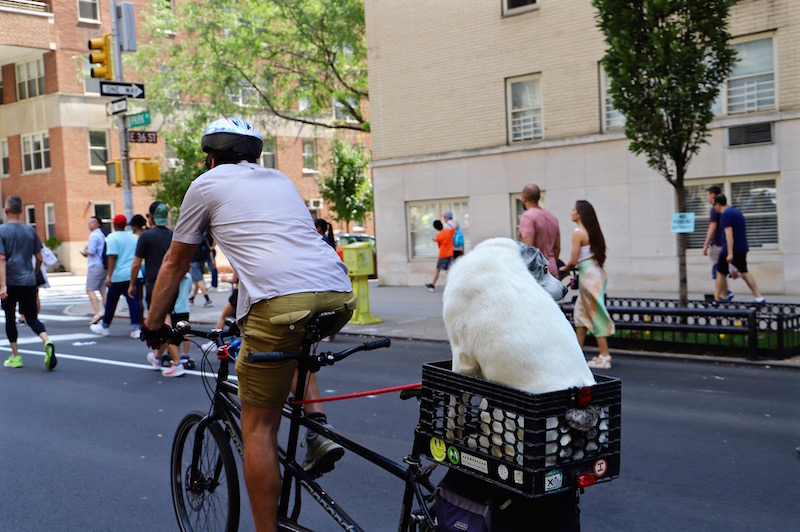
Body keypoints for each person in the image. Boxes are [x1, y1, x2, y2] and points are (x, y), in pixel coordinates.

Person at [141, 117, 356, 531]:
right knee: (291, 345)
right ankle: (317, 430)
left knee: (258, 428)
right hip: (338, 292)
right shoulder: (280, 179)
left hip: (281, 301)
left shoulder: (205, 185)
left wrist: (153, 326)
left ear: (210, 158)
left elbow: (174, 261)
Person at [0, 195, 56, 370]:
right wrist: (35, 272)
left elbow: (1, 259)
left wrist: (2, 285)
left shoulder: (2, 231)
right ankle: (46, 340)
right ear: (21, 210)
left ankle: (16, 356)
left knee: (10, 317)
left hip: (10, 282)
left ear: (6, 210)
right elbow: (40, 257)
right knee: (31, 317)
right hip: (29, 281)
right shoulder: (30, 231)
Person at [560, 200, 615, 369]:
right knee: (581, 314)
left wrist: (564, 268)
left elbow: (573, 260)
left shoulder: (578, 233)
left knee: (595, 313)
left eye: (573, 209)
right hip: (594, 273)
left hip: (588, 276)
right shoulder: (591, 231)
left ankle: (604, 356)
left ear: (580, 214)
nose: (571, 212)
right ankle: (576, 355)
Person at [131, 202, 184, 375]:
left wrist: (132, 284)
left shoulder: (146, 237)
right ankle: (158, 357)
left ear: (151, 217)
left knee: (162, 319)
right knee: (165, 317)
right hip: (174, 283)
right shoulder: (173, 235)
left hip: (155, 284)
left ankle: (177, 362)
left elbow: (136, 264)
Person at [90, 214, 142, 338]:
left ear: (114, 224)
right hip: (133, 274)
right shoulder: (133, 237)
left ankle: (105, 326)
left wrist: (109, 276)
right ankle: (136, 328)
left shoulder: (112, 237)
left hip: (119, 275)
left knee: (111, 302)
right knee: (134, 301)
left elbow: (112, 257)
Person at [713, 194, 765, 304]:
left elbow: (729, 234)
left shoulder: (725, 215)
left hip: (730, 249)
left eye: (714, 205)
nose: (714, 208)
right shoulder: (736, 211)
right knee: (744, 272)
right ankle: (759, 297)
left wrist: (730, 253)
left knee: (720, 272)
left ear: (718, 204)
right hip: (742, 247)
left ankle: (717, 299)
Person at [518, 183, 560, 278]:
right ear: (539, 197)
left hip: (537, 274)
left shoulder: (527, 217)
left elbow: (529, 250)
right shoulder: (552, 217)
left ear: (524, 198)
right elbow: (557, 248)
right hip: (552, 269)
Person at [702, 186, 732, 302]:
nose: (707, 197)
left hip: (718, 244)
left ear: (712, 195)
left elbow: (712, 227)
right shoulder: (728, 208)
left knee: (718, 271)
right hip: (724, 243)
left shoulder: (715, 209)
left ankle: (720, 296)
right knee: (722, 270)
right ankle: (726, 292)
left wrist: (705, 244)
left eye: (707, 195)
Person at [80, 216, 107, 324]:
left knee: (90, 289)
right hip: (103, 264)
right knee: (103, 290)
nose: (90, 224)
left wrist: (85, 250)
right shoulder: (101, 234)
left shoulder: (94, 235)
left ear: (98, 224)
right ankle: (107, 312)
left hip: (95, 265)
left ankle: (97, 312)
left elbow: (91, 251)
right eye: (89, 222)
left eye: (92, 221)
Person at [425, 219, 455, 292]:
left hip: (443, 254)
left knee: (438, 270)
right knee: (450, 270)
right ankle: (452, 285)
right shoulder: (449, 231)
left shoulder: (438, 236)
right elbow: (455, 228)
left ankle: (432, 285)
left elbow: (439, 246)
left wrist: (436, 240)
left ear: (436, 228)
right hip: (450, 253)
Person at [189, 232, 214, 307]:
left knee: (199, 280)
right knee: (197, 281)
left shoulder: (192, 238)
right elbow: (209, 250)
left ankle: (207, 299)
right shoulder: (203, 237)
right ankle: (192, 298)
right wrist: (212, 261)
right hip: (202, 261)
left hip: (194, 262)